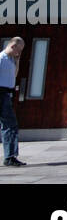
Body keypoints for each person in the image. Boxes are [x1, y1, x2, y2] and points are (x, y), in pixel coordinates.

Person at [0, 37, 25, 166]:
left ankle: (10, 156)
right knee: (10, 125)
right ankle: (10, 157)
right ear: (13, 46)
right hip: (1, 93)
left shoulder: (11, 60)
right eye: (19, 50)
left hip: (7, 93)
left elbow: (14, 75)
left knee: (9, 125)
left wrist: (17, 61)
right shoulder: (1, 58)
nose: (19, 53)